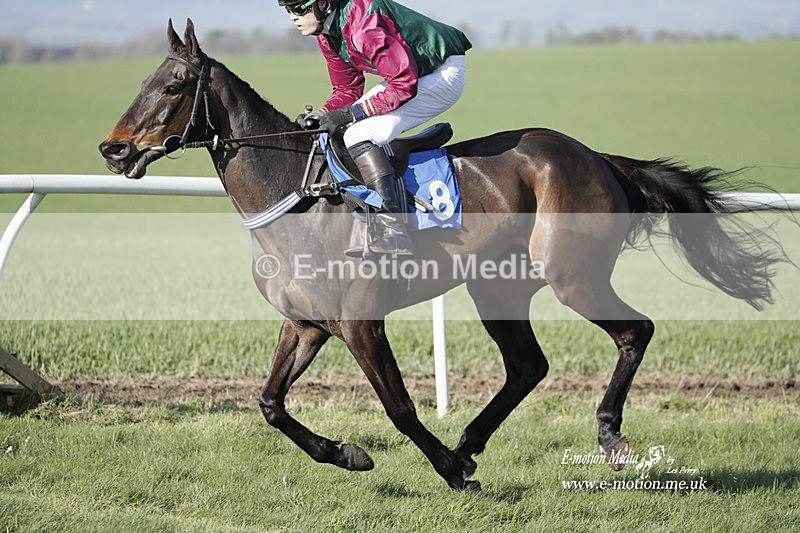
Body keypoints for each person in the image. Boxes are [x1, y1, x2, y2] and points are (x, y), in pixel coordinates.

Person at [278, 0, 471, 255]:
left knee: (358, 132)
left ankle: (395, 232)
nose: (294, 17)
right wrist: (324, 115)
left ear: (323, 4)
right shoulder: (327, 33)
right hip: (414, 76)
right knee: (339, 130)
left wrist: (349, 114)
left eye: (299, 9)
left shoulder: (364, 26)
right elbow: (347, 89)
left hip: (442, 73)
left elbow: (404, 85)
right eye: (289, 11)